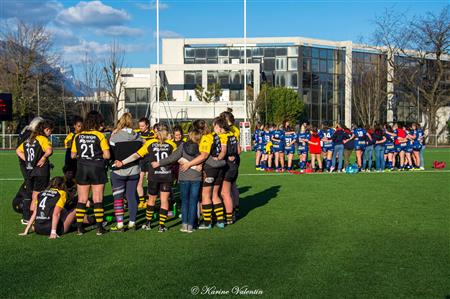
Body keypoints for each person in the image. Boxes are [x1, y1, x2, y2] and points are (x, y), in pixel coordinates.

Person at [115, 124, 177, 233]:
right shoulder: (172, 144)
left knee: (151, 200)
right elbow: (177, 159)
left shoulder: (150, 143)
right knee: (164, 200)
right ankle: (161, 226)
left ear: (157, 133)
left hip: (154, 176)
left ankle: (148, 223)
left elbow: (136, 155)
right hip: (167, 175)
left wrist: (122, 162)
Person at [71, 111, 110, 236]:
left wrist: (83, 156)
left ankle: (79, 228)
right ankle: (99, 228)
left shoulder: (78, 136)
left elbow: (72, 155)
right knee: (98, 199)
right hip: (97, 168)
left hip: (82, 168)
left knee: (82, 199)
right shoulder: (99, 135)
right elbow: (107, 155)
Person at [109, 113, 143, 232]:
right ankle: (132, 223)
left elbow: (111, 154)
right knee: (132, 197)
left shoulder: (115, 136)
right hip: (134, 171)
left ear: (120, 122)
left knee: (118, 198)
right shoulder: (138, 137)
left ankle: (120, 225)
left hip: (119, 172)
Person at [16, 120, 53, 224]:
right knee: (39, 196)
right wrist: (44, 158)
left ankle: (30, 218)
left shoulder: (30, 139)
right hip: (41, 172)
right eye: (50, 131)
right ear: (46, 129)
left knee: (33, 196)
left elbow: (18, 151)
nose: (50, 134)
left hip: (31, 171)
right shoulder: (43, 139)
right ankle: (37, 219)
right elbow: (49, 150)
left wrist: (28, 160)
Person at [220, 110, 241, 221]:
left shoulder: (225, 132)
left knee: (225, 190)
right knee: (233, 186)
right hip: (235, 160)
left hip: (228, 160)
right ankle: (235, 208)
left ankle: (229, 212)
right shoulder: (235, 130)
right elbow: (239, 150)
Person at [135, 117, 154, 209]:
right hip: (141, 159)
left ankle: (148, 200)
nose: (141, 127)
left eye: (143, 126)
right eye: (140, 126)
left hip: (149, 159)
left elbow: (148, 142)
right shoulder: (137, 132)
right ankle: (142, 201)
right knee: (139, 181)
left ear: (147, 125)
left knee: (149, 181)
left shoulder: (152, 133)